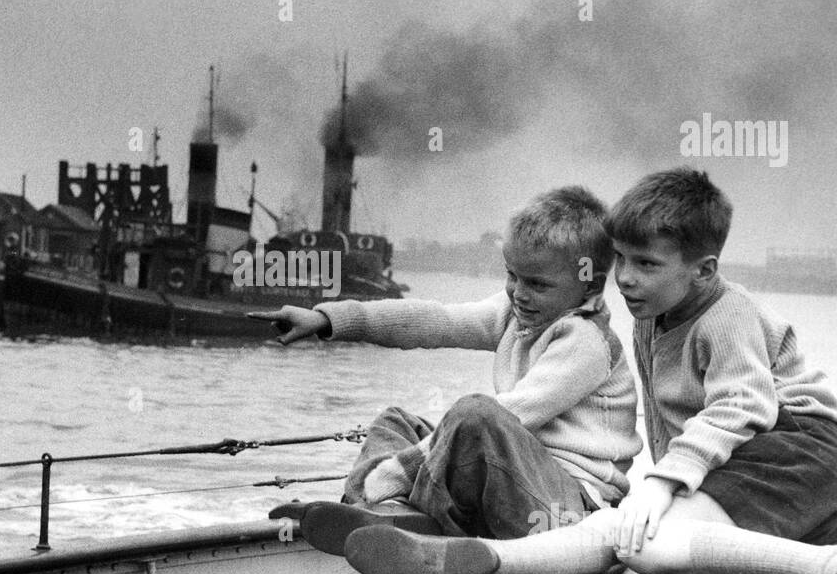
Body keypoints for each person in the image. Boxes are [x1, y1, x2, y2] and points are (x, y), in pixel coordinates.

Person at [343, 168, 837, 574]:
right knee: (630, 534)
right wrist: (337, 319)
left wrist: (659, 486)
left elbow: (744, 405)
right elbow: (439, 319)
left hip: (800, 456)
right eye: (622, 262)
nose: (627, 279)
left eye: (647, 264)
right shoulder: (651, 313)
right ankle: (471, 553)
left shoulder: (724, 315)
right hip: (750, 464)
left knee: (645, 543)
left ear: (704, 270)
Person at [249, 186, 642, 555]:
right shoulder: (518, 315)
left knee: (476, 415)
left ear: (590, 286)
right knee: (395, 422)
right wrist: (328, 319)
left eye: (537, 284)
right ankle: (368, 511)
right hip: (516, 484)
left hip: (568, 511)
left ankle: (386, 503)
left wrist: (395, 472)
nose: (518, 293)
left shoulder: (585, 342)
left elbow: (513, 415)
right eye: (511, 275)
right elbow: (432, 321)